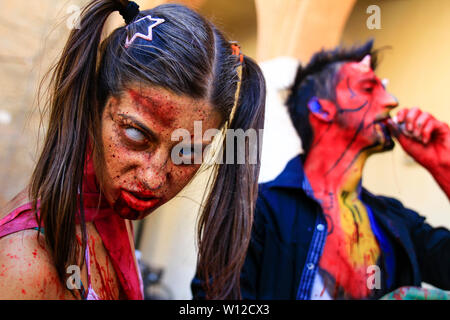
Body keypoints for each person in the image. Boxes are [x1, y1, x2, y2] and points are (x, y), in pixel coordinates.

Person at [0, 0, 265, 300]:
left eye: (188, 153)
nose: (152, 178)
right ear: (95, 106)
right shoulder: (26, 266)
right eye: (135, 134)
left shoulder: (110, 213)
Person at [235, 40, 450, 300]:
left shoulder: (395, 220)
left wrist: (443, 165)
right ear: (320, 108)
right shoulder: (256, 210)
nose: (391, 101)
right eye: (369, 88)